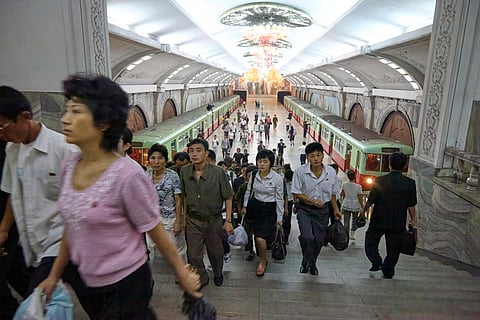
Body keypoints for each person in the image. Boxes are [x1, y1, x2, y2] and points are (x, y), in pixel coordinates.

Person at [38, 74, 200, 319]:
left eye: (76, 111)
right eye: (67, 109)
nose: (65, 119)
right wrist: (53, 275)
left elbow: (155, 229)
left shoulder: (128, 175)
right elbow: (71, 226)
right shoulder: (69, 165)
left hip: (126, 284)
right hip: (88, 283)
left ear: (103, 122)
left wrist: (182, 273)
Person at [0, 86, 75, 297]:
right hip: (35, 246)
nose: (1, 134)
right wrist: (4, 229)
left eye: (1, 126)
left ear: (25, 117)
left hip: (64, 244)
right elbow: (13, 191)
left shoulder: (64, 150)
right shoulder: (12, 149)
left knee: (38, 300)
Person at [180, 138, 234, 288]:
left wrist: (228, 221)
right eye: (191, 151)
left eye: (198, 150)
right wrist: (183, 217)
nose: (194, 154)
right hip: (193, 220)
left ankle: (218, 273)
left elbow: (228, 197)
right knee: (193, 254)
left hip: (214, 220)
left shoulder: (218, 173)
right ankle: (202, 277)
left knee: (216, 252)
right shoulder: (184, 172)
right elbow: (184, 196)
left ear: (206, 153)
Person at [360, 152, 417, 279]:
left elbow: (371, 200)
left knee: (370, 241)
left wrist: (363, 212)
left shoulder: (380, 180)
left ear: (389, 164)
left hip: (378, 219)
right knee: (394, 248)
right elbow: (411, 205)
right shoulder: (410, 183)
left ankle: (376, 261)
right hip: (398, 221)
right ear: (404, 166)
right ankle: (388, 270)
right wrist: (413, 220)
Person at [291, 142, 341, 276]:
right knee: (307, 236)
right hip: (304, 209)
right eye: (312, 156)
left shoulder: (330, 172)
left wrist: (336, 210)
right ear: (307, 157)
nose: (316, 158)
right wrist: (312, 201)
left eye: (318, 155)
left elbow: (333, 194)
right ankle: (305, 260)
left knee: (319, 240)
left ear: (323, 156)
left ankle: (312, 262)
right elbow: (296, 192)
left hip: (322, 211)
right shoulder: (300, 172)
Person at [0, 139, 31, 319]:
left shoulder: (7, 143)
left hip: (8, 223)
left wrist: (4, 228)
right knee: (17, 270)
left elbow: (11, 190)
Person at [242, 149, 284, 277]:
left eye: (265, 161)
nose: (261, 164)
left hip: (270, 209)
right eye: (259, 161)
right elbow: (249, 191)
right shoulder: (254, 175)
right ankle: (262, 254)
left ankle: (263, 260)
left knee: (260, 237)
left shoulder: (277, 178)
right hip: (256, 207)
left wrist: (280, 217)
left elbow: (279, 198)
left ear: (270, 163)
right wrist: (244, 206)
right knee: (256, 235)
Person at [147, 144, 187, 263]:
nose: (156, 162)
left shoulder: (172, 176)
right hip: (151, 219)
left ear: (165, 159)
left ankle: (182, 274)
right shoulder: (146, 175)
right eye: (153, 158)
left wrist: (178, 221)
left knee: (177, 249)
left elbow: (178, 200)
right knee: (149, 248)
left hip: (170, 218)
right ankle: (148, 277)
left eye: (160, 158)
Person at [235, 165, 257, 261]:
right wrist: (240, 209)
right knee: (248, 234)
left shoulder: (262, 187)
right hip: (247, 215)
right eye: (249, 176)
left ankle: (259, 249)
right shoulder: (243, 187)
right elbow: (237, 198)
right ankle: (251, 251)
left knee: (259, 234)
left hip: (259, 214)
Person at [341, 170, 363, 240]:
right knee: (355, 220)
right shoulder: (358, 187)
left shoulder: (344, 185)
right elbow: (360, 198)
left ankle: (346, 234)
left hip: (346, 204)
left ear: (348, 176)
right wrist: (361, 207)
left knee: (346, 221)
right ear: (355, 176)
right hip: (355, 205)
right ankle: (352, 234)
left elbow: (342, 194)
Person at [283, 168, 294, 245]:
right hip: (284, 202)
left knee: (287, 221)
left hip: (288, 203)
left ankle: (285, 238)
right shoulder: (282, 183)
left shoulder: (292, 184)